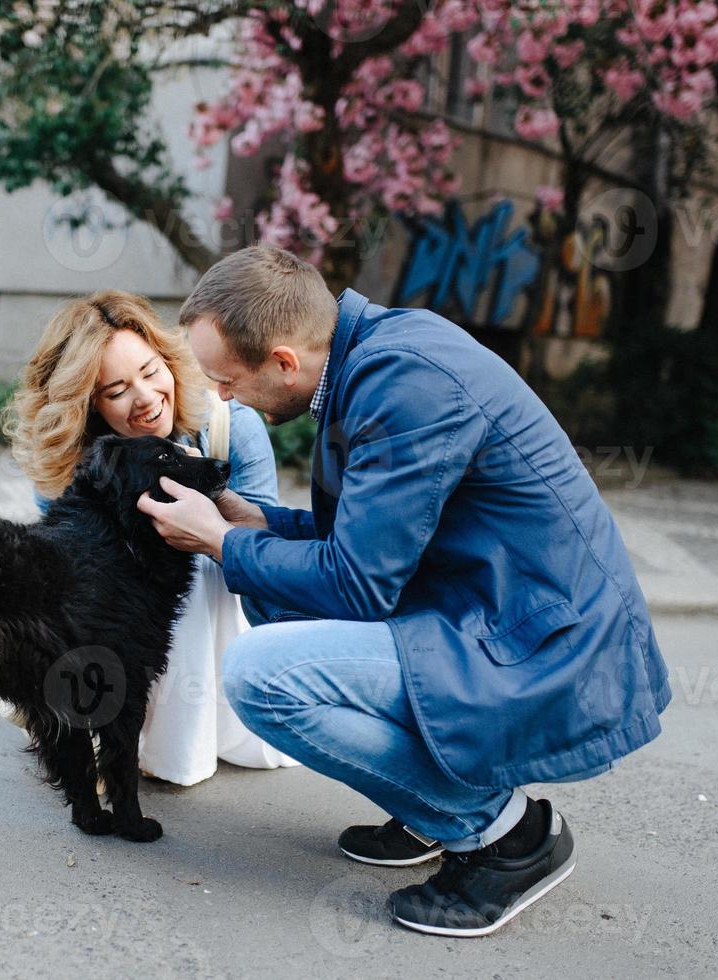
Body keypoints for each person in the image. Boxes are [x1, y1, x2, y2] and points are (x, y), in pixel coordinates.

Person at [136, 245, 670, 937]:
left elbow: (356, 584)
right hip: (487, 611)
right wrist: (261, 522)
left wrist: (220, 541)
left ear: (284, 362)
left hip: (544, 642)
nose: (224, 399)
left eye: (227, 381)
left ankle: (505, 835)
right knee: (272, 592)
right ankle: (429, 813)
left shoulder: (405, 382)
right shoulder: (369, 358)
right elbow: (374, 545)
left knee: (260, 673)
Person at [4, 289, 300, 785]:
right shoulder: (73, 457)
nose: (145, 399)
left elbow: (268, 556)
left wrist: (212, 533)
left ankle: (186, 731)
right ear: (89, 405)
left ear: (169, 360)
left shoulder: (229, 426)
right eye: (116, 391)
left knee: (181, 573)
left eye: (149, 371)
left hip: (224, 609)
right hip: (109, 631)